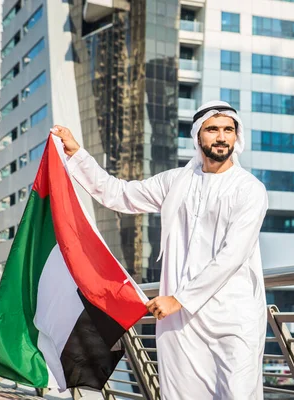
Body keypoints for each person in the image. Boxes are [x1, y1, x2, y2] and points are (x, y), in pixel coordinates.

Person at [51, 100, 268, 399]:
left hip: (232, 318)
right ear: (197, 136)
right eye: (213, 129)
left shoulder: (250, 189)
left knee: (239, 394)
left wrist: (179, 299)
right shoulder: (176, 181)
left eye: (228, 130)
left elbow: (233, 256)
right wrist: (77, 155)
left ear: (236, 136)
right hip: (181, 324)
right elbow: (120, 194)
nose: (221, 137)